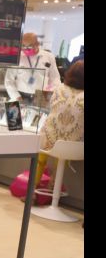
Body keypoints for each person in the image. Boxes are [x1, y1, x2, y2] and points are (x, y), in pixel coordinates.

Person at [33, 60, 84, 189]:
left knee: (41, 159)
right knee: (64, 152)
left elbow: (51, 108)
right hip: (73, 146)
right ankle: (52, 185)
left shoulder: (59, 89)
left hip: (48, 139)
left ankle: (32, 189)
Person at [4, 32, 61, 104]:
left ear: (37, 44)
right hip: (20, 96)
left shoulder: (49, 57)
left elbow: (55, 78)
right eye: (23, 46)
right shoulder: (18, 57)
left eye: (29, 46)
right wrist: (16, 97)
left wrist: (49, 95)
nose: (26, 49)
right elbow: (8, 81)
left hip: (41, 97)